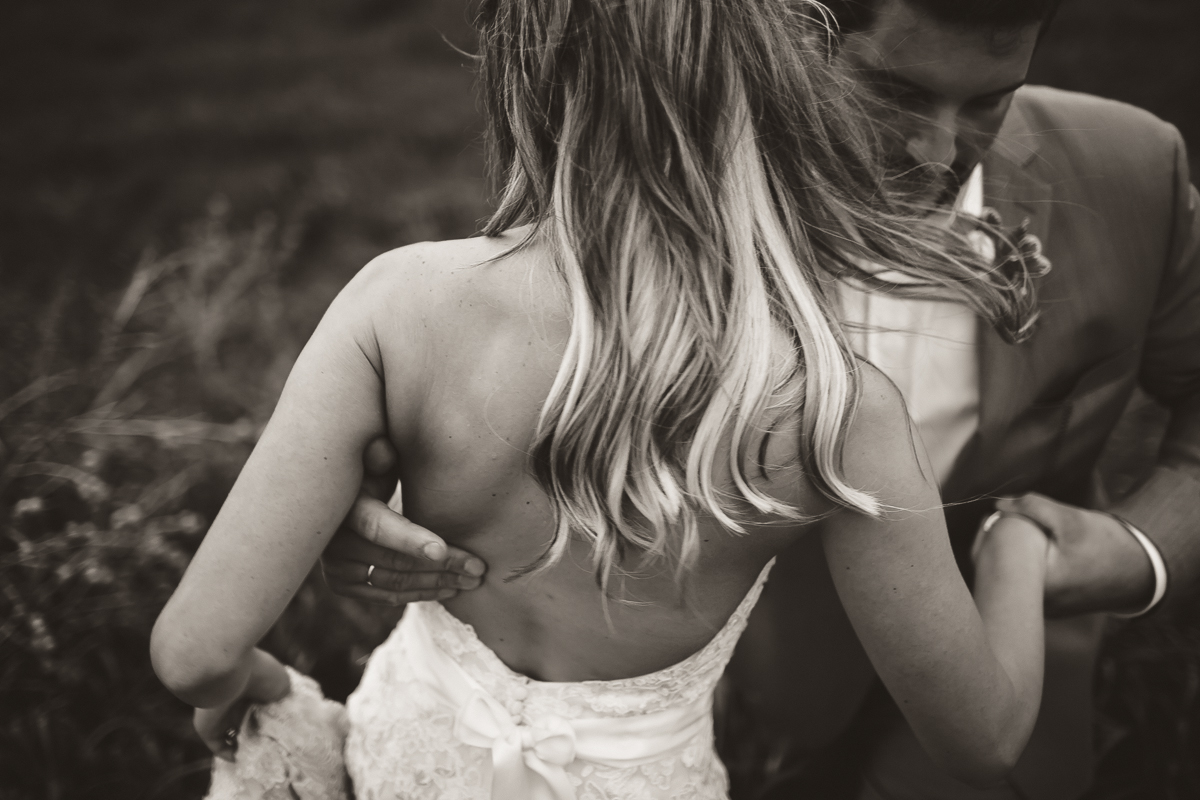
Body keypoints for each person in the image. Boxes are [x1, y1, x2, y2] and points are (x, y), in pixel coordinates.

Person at [151, 1, 1058, 798]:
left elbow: (195, 654)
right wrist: (1017, 549)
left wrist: (262, 693)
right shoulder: (836, 408)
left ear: (522, 85)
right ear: (781, 96)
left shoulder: (401, 304)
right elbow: (979, 742)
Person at [324, 0, 1200, 798]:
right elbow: (508, 400)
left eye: (988, 103)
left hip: (1003, 707)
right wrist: (361, 487)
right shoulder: (651, 195)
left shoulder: (1133, 171)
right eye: (893, 91)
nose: (940, 151)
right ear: (787, 40)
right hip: (704, 718)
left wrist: (1141, 550)